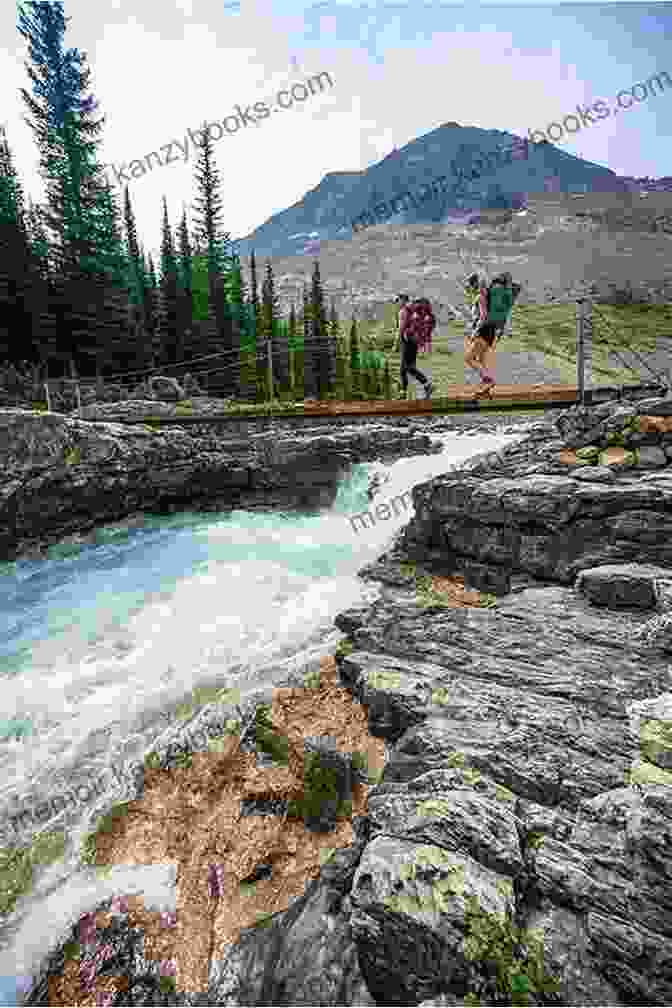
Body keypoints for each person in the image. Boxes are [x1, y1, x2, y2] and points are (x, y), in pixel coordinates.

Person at [394, 294, 434, 399]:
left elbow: (401, 328)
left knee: (405, 368)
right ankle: (426, 385)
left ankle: (405, 392)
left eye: (397, 300)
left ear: (403, 300)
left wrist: (396, 343)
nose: (397, 303)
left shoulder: (404, 311)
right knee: (409, 367)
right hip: (415, 340)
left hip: (407, 340)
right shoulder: (414, 312)